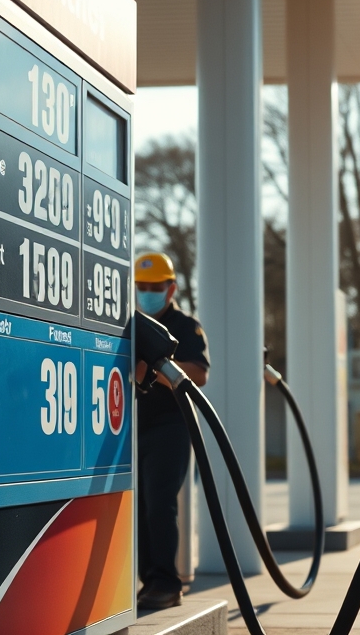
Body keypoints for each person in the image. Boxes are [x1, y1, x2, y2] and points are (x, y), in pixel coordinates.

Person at [133, 252, 209, 610]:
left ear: (171, 288)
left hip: (170, 426)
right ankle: (147, 580)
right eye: (142, 286)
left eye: (155, 287)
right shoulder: (130, 324)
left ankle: (166, 582)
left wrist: (158, 367)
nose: (147, 293)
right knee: (137, 505)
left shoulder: (184, 326)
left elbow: (199, 374)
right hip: (132, 426)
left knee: (159, 504)